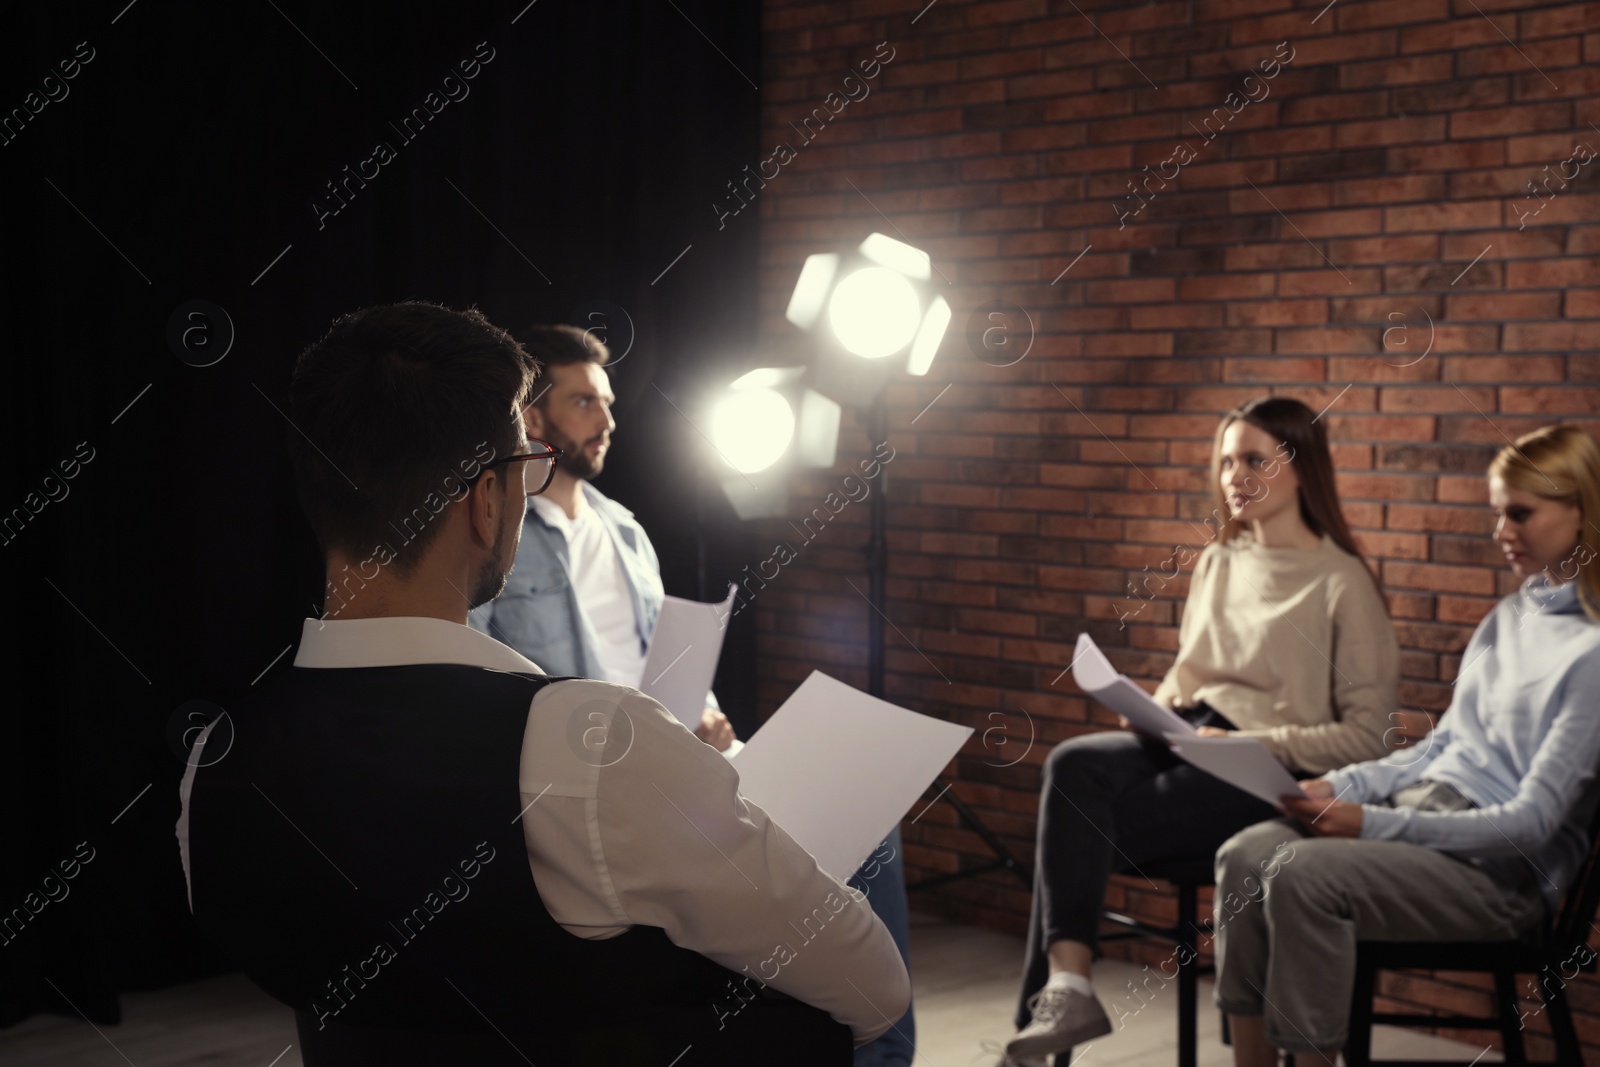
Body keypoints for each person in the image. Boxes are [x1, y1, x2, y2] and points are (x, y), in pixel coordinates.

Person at [173, 302, 909, 1066]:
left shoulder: (211, 770)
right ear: (486, 503)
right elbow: (875, 988)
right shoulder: (588, 750)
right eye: (523, 469)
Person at [474, 323, 919, 1067]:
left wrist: (707, 711)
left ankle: (882, 1059)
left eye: (609, 401)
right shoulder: (498, 536)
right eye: (585, 400)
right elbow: (481, 672)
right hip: (592, 783)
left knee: (871, 819)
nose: (608, 419)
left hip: (679, 753)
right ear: (532, 417)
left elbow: (665, 656)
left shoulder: (626, 532)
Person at [1005, 397, 1401, 1065]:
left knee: (1074, 832)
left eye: (1253, 459)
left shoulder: (1343, 582)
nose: (1233, 476)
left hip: (1262, 771)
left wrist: (1257, 745)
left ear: (1301, 468)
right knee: (1072, 766)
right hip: (1189, 735)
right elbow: (1189, 678)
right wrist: (1149, 708)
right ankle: (1070, 985)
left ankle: (1037, 1036)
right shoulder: (1220, 559)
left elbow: (1370, 736)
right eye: (1224, 462)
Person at [1214, 423, 1600, 1067]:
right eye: (1497, 511)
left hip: (1497, 879)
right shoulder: (1509, 618)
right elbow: (1442, 745)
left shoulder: (1592, 657)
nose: (1501, 530)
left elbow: (1530, 827)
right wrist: (1343, 786)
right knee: (1244, 856)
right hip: (1430, 816)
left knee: (1301, 877)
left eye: (1520, 513)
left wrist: (1371, 823)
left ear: (1583, 511)